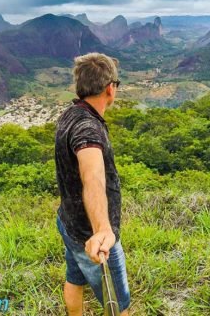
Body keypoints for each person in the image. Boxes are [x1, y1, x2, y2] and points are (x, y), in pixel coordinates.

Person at [54, 52, 131, 315]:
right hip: (91, 237)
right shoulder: (88, 129)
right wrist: (102, 230)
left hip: (68, 222)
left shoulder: (70, 114)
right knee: (120, 306)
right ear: (110, 89)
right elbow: (93, 177)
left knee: (75, 278)